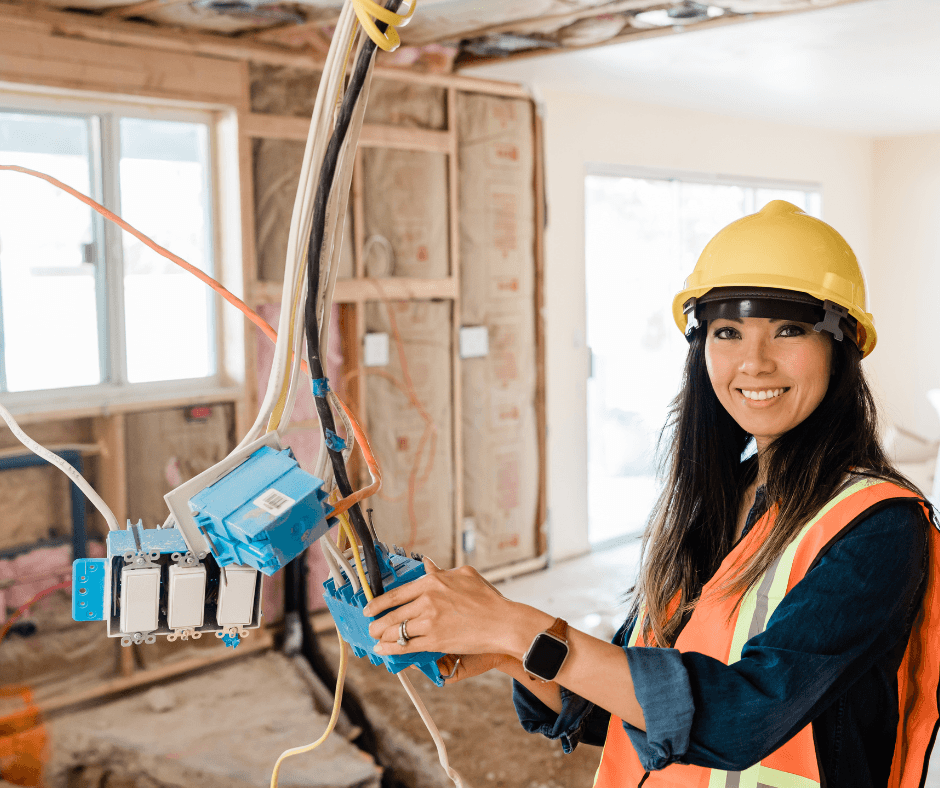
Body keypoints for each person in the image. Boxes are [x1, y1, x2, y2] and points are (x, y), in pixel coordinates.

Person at [363, 201, 940, 788]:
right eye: (728, 332)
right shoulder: (721, 499)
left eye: (789, 329)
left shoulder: (878, 527)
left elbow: (740, 717)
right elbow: (625, 698)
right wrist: (509, 651)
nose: (754, 362)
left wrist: (514, 624)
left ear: (842, 347)